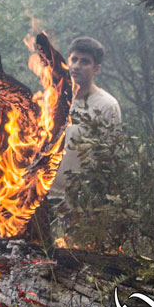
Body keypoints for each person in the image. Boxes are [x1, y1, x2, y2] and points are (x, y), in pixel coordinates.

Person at [49, 37, 122, 217]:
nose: (76, 66)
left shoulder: (107, 106)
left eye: (85, 62)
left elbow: (109, 161)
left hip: (78, 205)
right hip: (45, 199)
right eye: (74, 59)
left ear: (97, 69)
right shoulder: (53, 98)